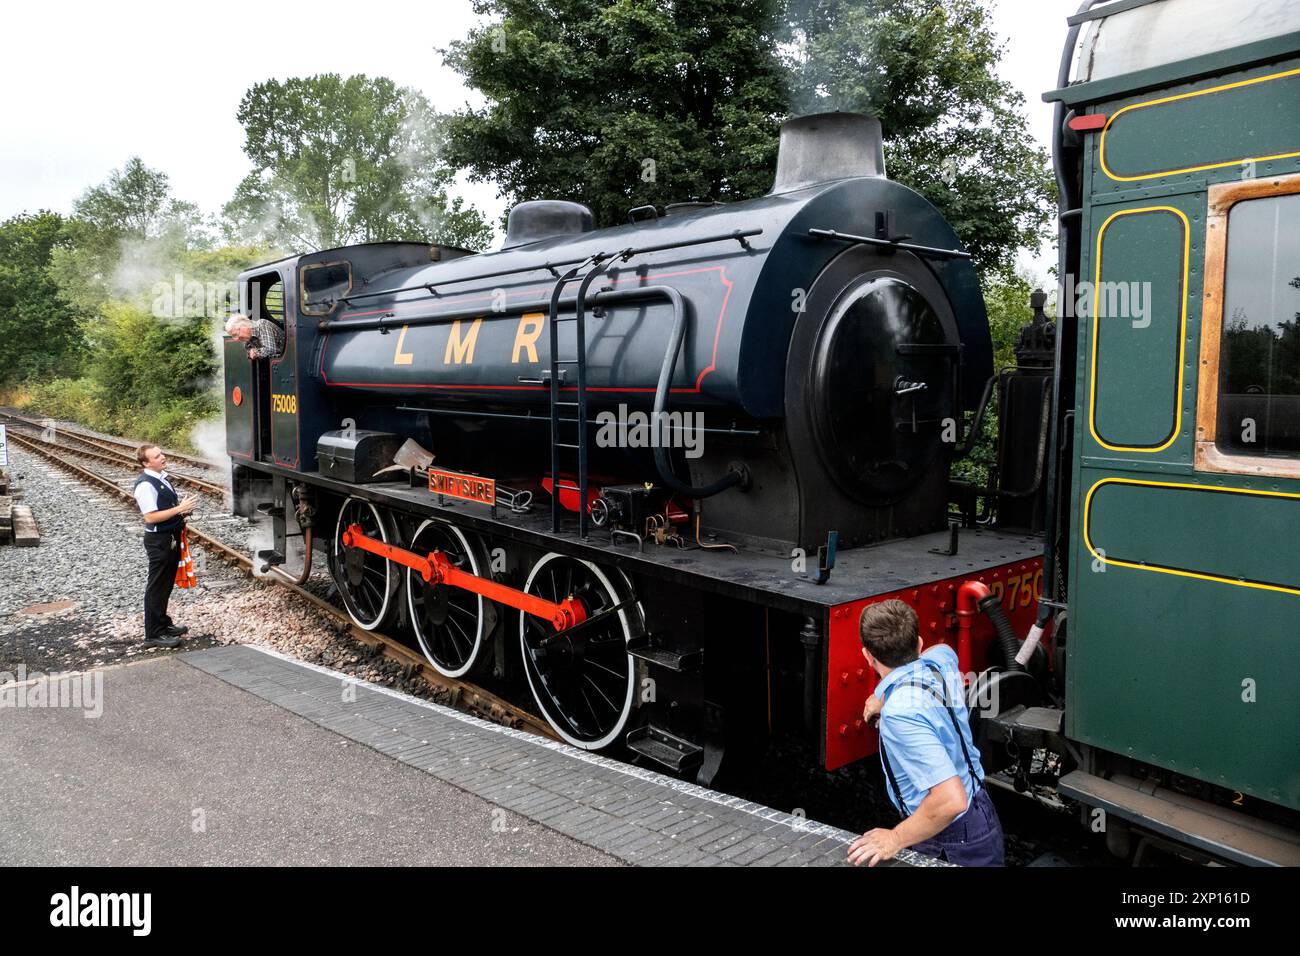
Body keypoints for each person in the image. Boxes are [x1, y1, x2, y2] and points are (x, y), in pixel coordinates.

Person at [847, 599, 1005, 867]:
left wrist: (895, 838)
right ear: (918, 644)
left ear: (867, 656)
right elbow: (941, 648)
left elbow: (950, 801)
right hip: (981, 812)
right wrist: (885, 695)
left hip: (950, 838)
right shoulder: (942, 662)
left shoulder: (899, 713)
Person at [133, 444, 198, 649]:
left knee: (165, 585)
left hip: (170, 537)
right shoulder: (145, 485)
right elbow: (150, 516)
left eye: (161, 453)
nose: (163, 457)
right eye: (157, 456)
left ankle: (163, 624)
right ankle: (153, 634)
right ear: (146, 463)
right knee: (157, 587)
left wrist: (180, 513)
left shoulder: (161, 478)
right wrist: (180, 508)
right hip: (159, 541)